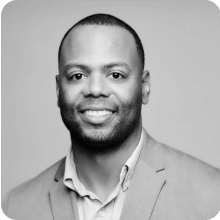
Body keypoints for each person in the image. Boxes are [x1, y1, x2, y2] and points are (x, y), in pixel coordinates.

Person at [2, 13, 220, 220]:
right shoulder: (15, 207)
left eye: (116, 75)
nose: (95, 89)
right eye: (77, 75)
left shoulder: (213, 195)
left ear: (144, 88)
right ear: (59, 91)